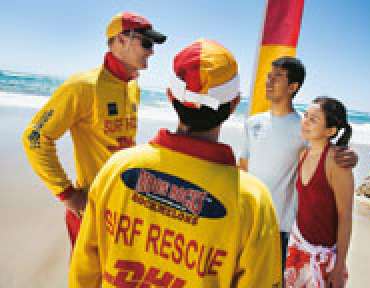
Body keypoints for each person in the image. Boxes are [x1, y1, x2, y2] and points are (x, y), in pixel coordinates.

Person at [69, 39, 282, 288]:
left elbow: (84, 269)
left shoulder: (117, 167)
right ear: (234, 104)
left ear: (171, 96)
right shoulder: (253, 201)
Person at [22, 12, 166, 248]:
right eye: (147, 43)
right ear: (121, 40)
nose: (152, 51)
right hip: (91, 208)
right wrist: (68, 195)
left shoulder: (133, 87)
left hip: (123, 205)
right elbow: (35, 137)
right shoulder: (83, 87)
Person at [239, 57, 358, 272]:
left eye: (278, 77)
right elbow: (244, 168)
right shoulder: (252, 122)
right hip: (248, 221)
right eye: (269, 75)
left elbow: (327, 151)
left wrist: (350, 155)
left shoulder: (304, 126)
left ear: (293, 87)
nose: (269, 81)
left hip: (282, 227)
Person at [284, 97, 354, 288]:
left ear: (330, 131)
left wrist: (339, 267)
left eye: (313, 119)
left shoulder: (337, 163)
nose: (304, 121)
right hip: (297, 247)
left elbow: (345, 215)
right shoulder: (302, 154)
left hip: (322, 257)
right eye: (305, 115)